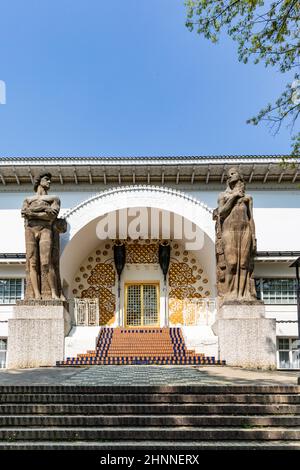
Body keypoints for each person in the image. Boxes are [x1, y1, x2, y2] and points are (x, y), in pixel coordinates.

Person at [216, 167, 257, 301]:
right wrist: (233, 197)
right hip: (229, 230)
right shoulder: (224, 196)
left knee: (244, 263)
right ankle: (230, 293)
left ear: (239, 176)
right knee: (232, 262)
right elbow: (221, 213)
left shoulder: (248, 198)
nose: (230, 176)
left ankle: (244, 294)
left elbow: (251, 218)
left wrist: (253, 237)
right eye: (229, 175)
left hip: (245, 230)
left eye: (233, 174)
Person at [21, 172, 61, 300]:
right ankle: (36, 294)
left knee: (46, 262)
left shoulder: (54, 198)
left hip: (45, 229)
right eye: (46, 179)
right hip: (30, 229)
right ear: (39, 181)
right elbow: (24, 213)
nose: (49, 182)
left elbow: (51, 216)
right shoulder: (28, 199)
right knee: (32, 262)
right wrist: (44, 209)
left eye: (49, 180)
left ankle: (54, 293)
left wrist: (33, 212)